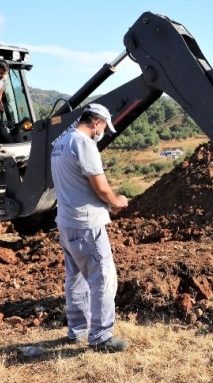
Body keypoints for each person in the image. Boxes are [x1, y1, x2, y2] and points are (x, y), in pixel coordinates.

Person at [50, 103, 130, 352]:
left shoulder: (60, 142)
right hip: (86, 223)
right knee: (104, 278)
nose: (103, 132)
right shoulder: (84, 144)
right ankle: (101, 337)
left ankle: (77, 330)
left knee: (75, 278)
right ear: (96, 122)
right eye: (104, 127)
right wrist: (116, 201)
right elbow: (100, 185)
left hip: (66, 220)